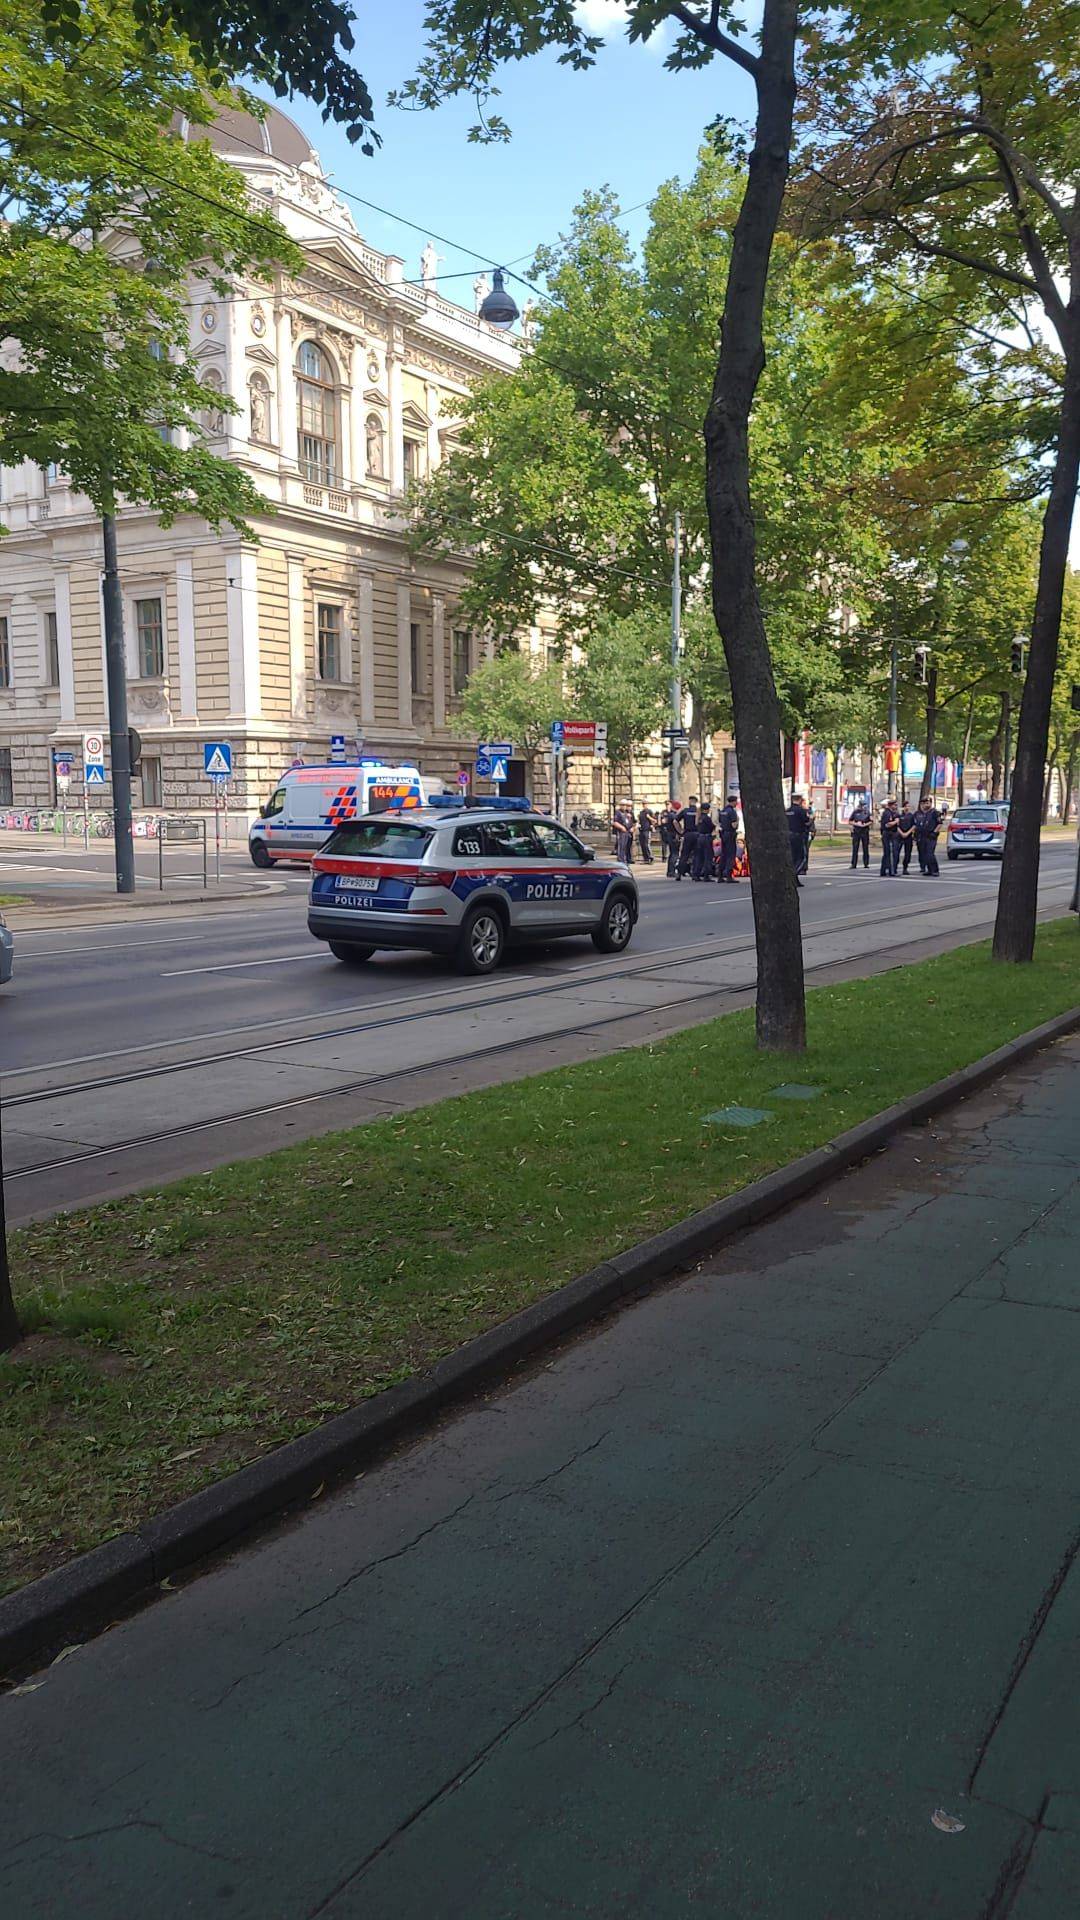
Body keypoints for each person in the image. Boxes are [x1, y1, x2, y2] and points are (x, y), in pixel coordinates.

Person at [787, 793, 812, 889]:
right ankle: (793, 875)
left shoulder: (787, 811)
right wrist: (811, 820)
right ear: (799, 800)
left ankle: (795, 880)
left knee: (793, 858)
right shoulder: (800, 811)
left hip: (789, 836)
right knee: (801, 858)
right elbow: (806, 822)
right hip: (798, 836)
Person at [717, 792, 740, 881]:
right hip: (730, 834)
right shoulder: (732, 812)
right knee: (731, 854)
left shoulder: (723, 811)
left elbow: (720, 822)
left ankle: (720, 875)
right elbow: (734, 825)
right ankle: (729, 875)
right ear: (733, 802)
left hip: (723, 834)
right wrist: (738, 820)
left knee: (723, 854)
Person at [915, 799, 941, 875]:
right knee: (924, 854)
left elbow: (939, 823)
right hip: (922, 836)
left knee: (930, 853)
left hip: (931, 836)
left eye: (927, 803)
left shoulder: (935, 812)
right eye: (924, 803)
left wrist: (934, 832)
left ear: (930, 803)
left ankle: (935, 870)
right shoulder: (922, 813)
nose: (925, 805)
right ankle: (929, 870)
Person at [676, 796, 699, 880]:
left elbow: (675, 821)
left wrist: (680, 831)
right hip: (697, 834)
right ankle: (695, 874)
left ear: (690, 801)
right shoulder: (698, 811)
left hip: (688, 834)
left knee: (684, 855)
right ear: (696, 802)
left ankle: (679, 873)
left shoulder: (685, 811)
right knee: (696, 855)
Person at [693, 800, 715, 880]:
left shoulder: (699, 818)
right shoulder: (707, 818)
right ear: (707, 809)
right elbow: (712, 827)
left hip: (699, 838)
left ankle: (696, 874)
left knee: (699, 857)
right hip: (706, 838)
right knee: (707, 856)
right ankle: (706, 874)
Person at [848, 798, 871, 869]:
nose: (862, 807)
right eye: (861, 805)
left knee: (865, 848)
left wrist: (865, 824)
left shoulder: (867, 812)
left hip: (864, 831)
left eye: (863, 805)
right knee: (855, 848)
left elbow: (871, 821)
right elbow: (850, 821)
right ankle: (853, 864)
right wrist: (856, 823)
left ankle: (866, 863)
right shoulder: (855, 812)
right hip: (857, 832)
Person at [879, 798, 900, 876]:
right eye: (895, 805)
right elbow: (887, 825)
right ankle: (891, 871)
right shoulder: (887, 813)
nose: (896, 806)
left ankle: (884, 871)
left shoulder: (894, 813)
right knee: (891, 853)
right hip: (888, 834)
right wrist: (895, 821)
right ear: (890, 806)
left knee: (888, 853)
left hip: (893, 834)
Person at [896, 797, 917, 873]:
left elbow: (914, 826)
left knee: (907, 853)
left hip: (908, 836)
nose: (907, 808)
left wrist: (907, 833)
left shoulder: (912, 816)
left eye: (908, 806)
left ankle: (905, 867)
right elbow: (897, 826)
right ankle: (895, 866)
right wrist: (901, 833)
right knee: (897, 852)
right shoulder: (899, 816)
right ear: (903, 807)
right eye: (905, 806)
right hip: (900, 836)